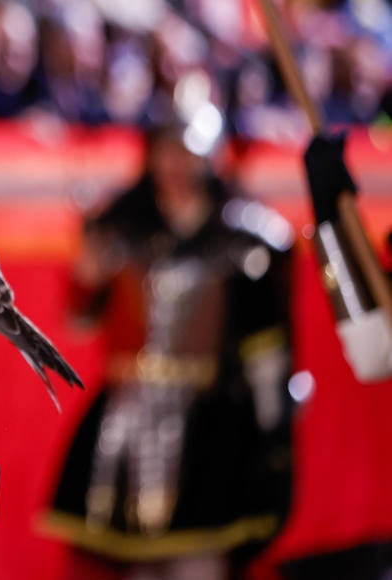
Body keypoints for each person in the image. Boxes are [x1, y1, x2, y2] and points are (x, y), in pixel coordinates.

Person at [41, 95, 294, 580]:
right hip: (126, 419)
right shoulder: (120, 228)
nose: (179, 164)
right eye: (168, 150)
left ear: (213, 158)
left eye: (190, 152)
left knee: (199, 556)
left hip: (211, 419)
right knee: (131, 563)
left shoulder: (247, 238)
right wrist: (88, 277)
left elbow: (266, 348)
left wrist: (273, 433)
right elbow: (80, 320)